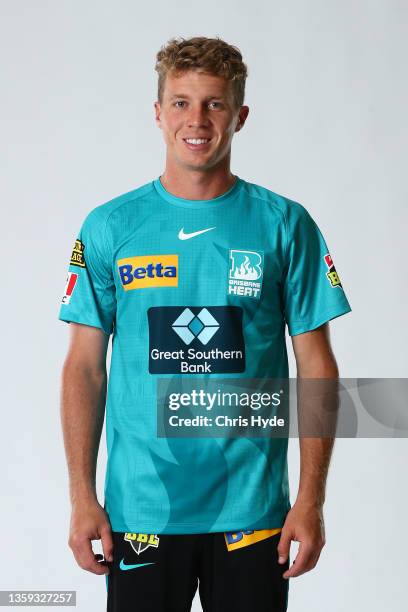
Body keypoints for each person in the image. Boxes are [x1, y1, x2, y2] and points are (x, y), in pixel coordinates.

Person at [58, 36, 351, 612]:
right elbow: (84, 369)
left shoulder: (285, 225)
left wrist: (311, 499)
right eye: (181, 102)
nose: (197, 119)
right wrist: (81, 497)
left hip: (254, 513)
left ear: (240, 115)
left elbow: (316, 364)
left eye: (214, 104)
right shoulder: (110, 227)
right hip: (140, 511)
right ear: (158, 112)